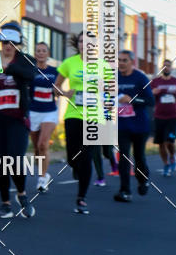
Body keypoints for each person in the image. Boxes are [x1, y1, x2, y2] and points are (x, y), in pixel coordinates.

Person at [55, 32, 114, 215]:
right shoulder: (69, 63)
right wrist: (65, 93)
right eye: (82, 41)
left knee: (87, 156)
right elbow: (55, 88)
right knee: (73, 157)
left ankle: (81, 198)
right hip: (73, 114)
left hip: (94, 117)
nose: (84, 44)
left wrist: (108, 101)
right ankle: (76, 167)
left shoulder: (104, 65)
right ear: (78, 44)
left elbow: (111, 92)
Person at [0, 22, 36, 219]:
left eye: (12, 43)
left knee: (15, 158)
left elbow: (30, 75)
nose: (8, 46)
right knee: (0, 160)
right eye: (5, 41)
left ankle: (22, 194)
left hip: (16, 119)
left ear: (18, 43)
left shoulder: (24, 60)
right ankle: (5, 203)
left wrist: (8, 68)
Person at [113, 50, 154, 202]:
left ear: (132, 62)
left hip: (140, 126)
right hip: (122, 125)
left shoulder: (140, 78)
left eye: (124, 60)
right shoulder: (114, 77)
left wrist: (132, 100)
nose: (121, 63)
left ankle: (143, 180)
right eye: (119, 60)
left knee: (139, 157)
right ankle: (125, 191)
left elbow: (150, 101)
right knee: (124, 156)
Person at [29, 41, 58, 193]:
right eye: (38, 50)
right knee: (36, 149)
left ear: (48, 54)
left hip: (50, 111)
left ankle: (42, 178)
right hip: (33, 112)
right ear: (35, 54)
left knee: (42, 145)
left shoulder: (55, 71)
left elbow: (60, 88)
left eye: (43, 50)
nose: (40, 53)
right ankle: (43, 173)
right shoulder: (30, 70)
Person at [151, 60, 176, 176]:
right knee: (161, 143)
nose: (166, 68)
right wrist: (153, 92)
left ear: (171, 68)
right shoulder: (155, 81)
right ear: (162, 68)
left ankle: (172, 157)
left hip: (173, 117)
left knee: (169, 141)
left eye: (168, 66)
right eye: (164, 66)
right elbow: (149, 96)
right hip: (159, 116)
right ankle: (166, 164)